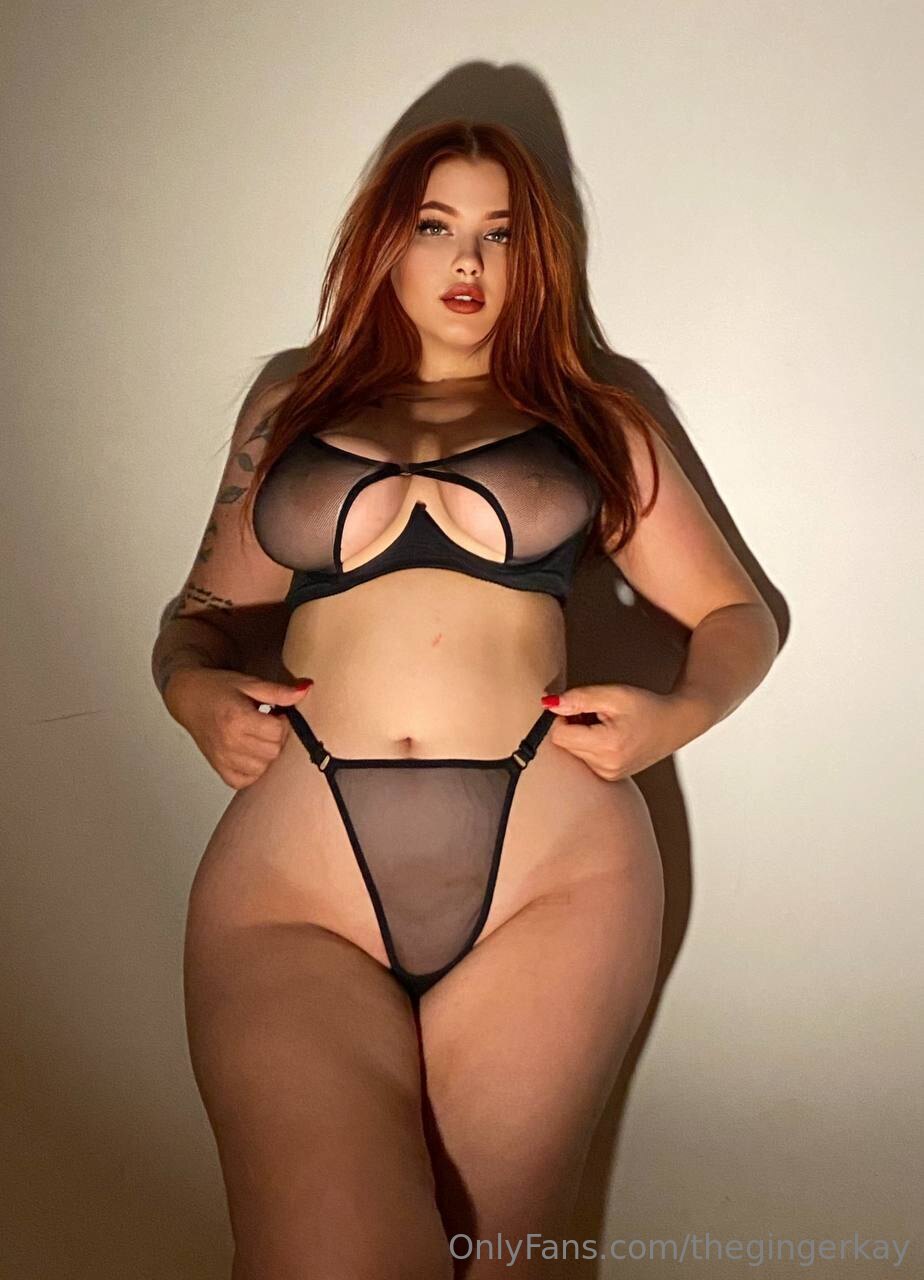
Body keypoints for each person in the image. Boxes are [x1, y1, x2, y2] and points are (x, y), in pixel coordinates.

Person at [151, 120, 779, 1279]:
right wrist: (192, 691)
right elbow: (197, 614)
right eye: (437, 226)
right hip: (299, 881)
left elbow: (739, 615)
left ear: (537, 257)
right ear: (385, 242)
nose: (469, 262)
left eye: (500, 234)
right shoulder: (290, 407)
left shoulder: (596, 421)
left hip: (553, 873)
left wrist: (675, 714)